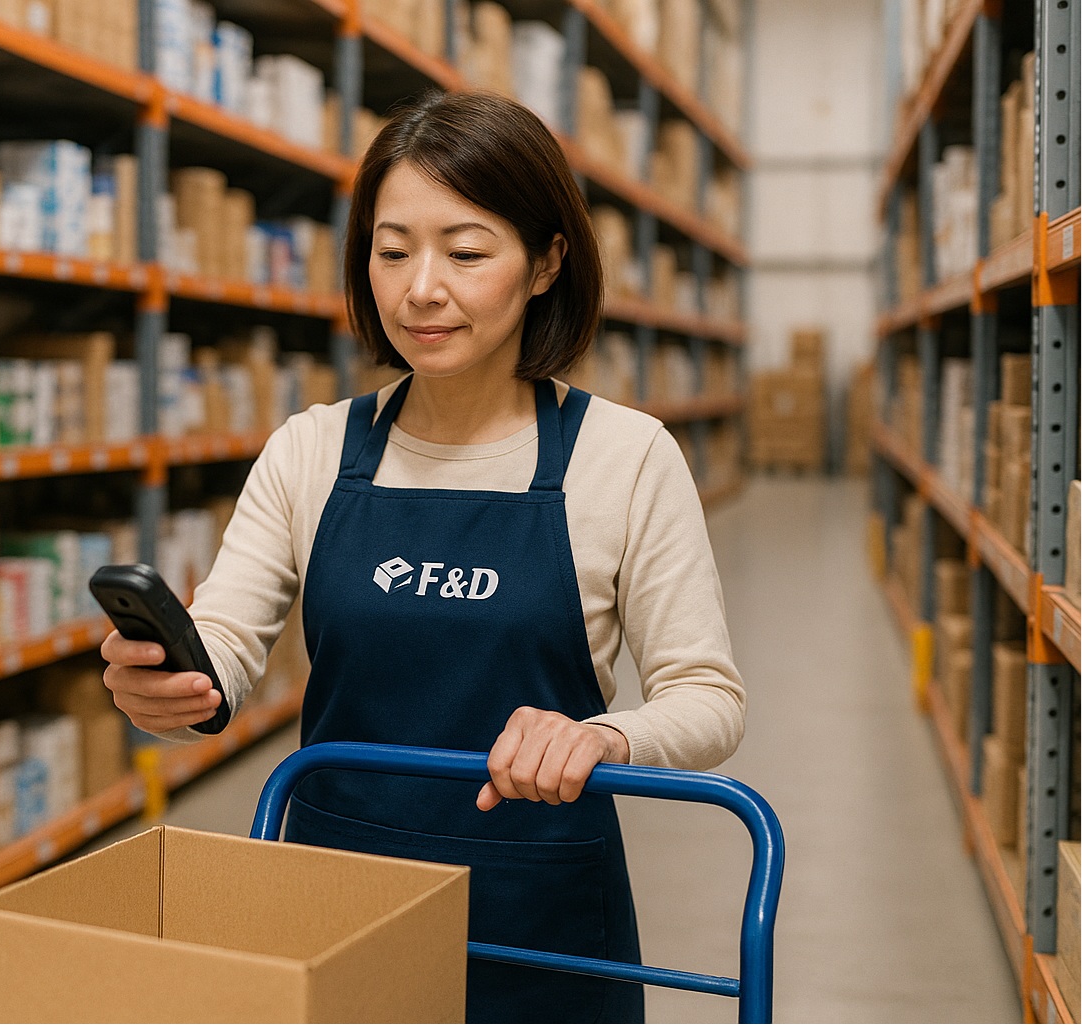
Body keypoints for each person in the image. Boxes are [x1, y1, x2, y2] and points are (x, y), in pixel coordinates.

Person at [99, 90, 745, 1024]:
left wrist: (602, 736)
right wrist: (169, 683)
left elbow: (707, 698)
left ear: (545, 262)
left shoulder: (624, 456)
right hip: (335, 897)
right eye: (391, 250)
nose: (419, 288)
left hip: (536, 912)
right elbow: (225, 647)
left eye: (467, 251)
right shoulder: (312, 449)